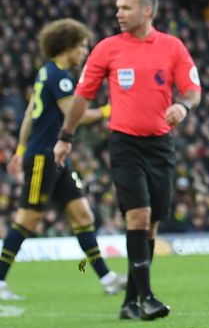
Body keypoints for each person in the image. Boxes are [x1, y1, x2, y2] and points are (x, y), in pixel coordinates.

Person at [53, 0, 202, 321]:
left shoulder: (172, 47)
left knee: (150, 224)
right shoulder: (106, 49)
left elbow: (193, 89)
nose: (118, 13)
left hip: (161, 144)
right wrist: (66, 136)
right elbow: (82, 97)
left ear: (146, 11)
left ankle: (129, 302)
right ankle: (146, 297)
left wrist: (184, 107)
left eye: (125, 8)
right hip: (124, 143)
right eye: (117, 7)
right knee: (137, 215)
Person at [1, 18, 126, 300]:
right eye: (82, 46)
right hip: (44, 158)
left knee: (83, 216)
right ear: (68, 46)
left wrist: (20, 150)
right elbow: (76, 114)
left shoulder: (45, 73)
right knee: (27, 219)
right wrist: (109, 110)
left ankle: (107, 278)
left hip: (55, 158)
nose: (84, 52)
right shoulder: (61, 76)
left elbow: (29, 116)